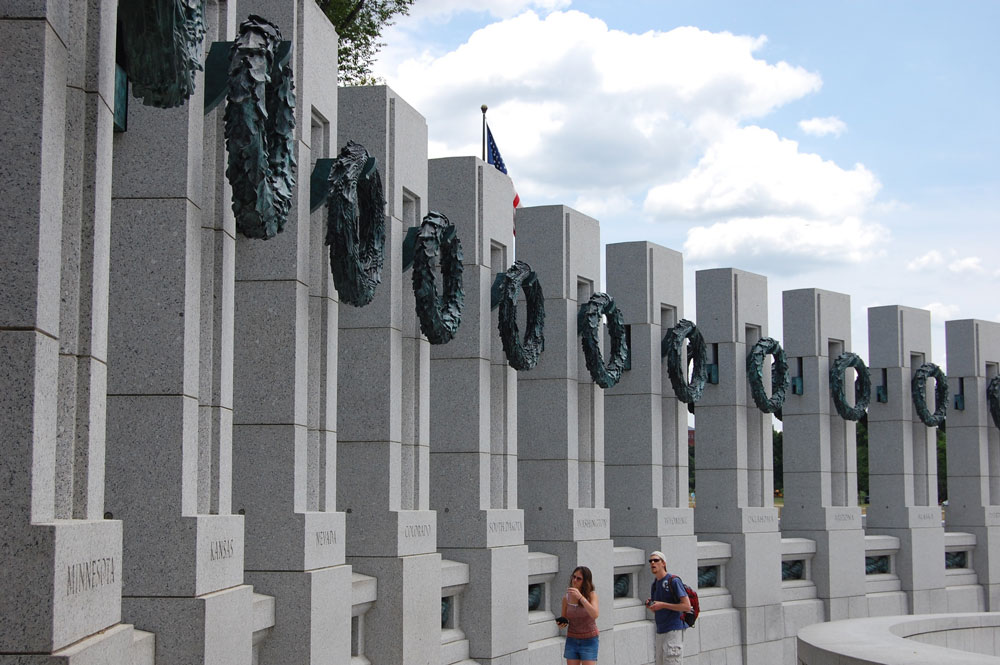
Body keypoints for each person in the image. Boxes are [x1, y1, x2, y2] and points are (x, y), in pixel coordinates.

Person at [646, 551, 691, 665]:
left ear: (664, 563)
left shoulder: (673, 581)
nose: (652, 563)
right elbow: (657, 607)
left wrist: (662, 604)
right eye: (650, 561)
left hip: (673, 629)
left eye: (656, 560)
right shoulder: (655, 584)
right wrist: (652, 605)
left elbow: (686, 606)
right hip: (660, 630)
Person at [555, 565, 600, 665]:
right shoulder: (566, 598)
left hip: (589, 640)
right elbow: (565, 618)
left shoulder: (592, 595)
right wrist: (561, 623)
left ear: (585, 581)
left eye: (579, 578)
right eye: (573, 577)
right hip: (572, 639)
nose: (574, 580)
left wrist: (580, 597)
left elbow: (595, 614)